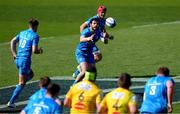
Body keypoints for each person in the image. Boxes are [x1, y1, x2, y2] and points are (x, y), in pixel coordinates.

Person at [7, 18, 43, 108]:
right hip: (24, 61)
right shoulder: (35, 36)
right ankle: (11, 102)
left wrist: (14, 54)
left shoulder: (22, 33)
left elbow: (12, 41)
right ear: (35, 26)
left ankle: (19, 85)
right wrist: (40, 51)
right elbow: (34, 50)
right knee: (22, 83)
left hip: (18, 60)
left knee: (31, 74)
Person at [72, 5, 114, 78]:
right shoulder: (94, 19)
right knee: (98, 56)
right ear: (98, 12)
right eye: (101, 12)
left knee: (98, 57)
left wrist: (107, 37)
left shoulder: (104, 20)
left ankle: (81, 68)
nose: (103, 14)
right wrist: (85, 37)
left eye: (104, 12)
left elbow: (103, 32)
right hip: (88, 41)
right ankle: (81, 69)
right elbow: (82, 26)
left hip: (92, 41)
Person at [73, 18, 101, 84]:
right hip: (81, 52)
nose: (96, 25)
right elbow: (81, 39)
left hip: (89, 53)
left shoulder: (98, 32)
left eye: (97, 24)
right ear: (90, 24)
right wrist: (88, 38)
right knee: (84, 71)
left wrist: (105, 38)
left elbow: (104, 40)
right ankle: (73, 86)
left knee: (94, 72)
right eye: (94, 23)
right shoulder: (86, 31)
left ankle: (91, 87)